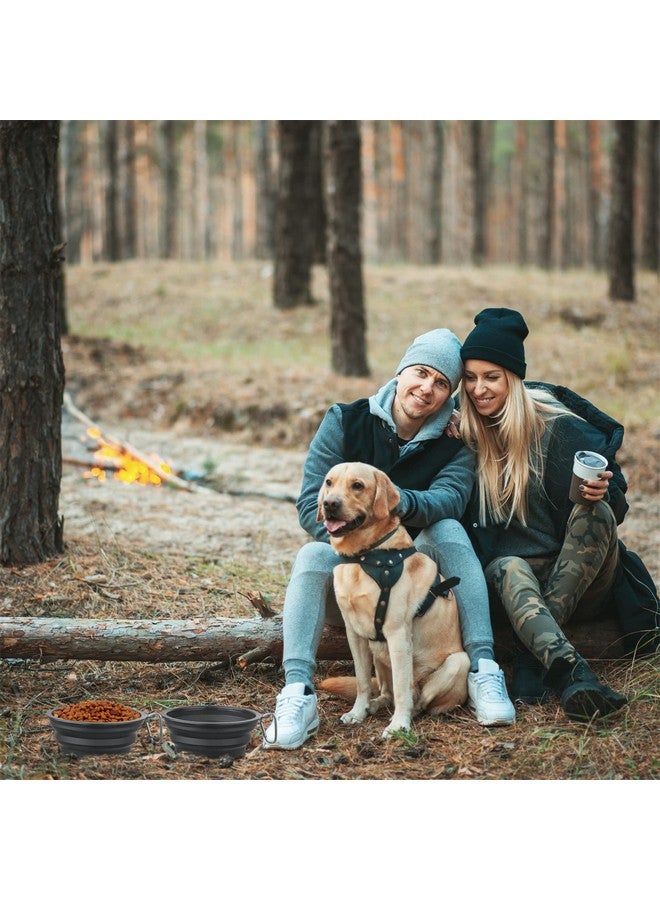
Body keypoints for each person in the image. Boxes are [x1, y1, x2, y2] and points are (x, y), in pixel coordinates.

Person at [263, 327, 515, 750]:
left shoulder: (456, 441)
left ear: (450, 396)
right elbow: (310, 504)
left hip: (416, 591)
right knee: (311, 555)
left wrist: (389, 502)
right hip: (353, 583)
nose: (427, 388)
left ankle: (483, 670)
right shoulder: (345, 420)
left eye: (442, 383)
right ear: (401, 373)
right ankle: (297, 692)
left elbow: (450, 500)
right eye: (421, 373)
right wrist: (363, 541)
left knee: (449, 529)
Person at [458, 307, 658, 722]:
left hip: (579, 580)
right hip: (513, 588)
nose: (479, 389)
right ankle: (572, 675)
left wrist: (605, 492)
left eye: (491, 377)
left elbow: (616, 501)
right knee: (509, 565)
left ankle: (531, 657)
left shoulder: (558, 428)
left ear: (513, 378)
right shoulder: (463, 437)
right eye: (471, 378)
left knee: (595, 513)